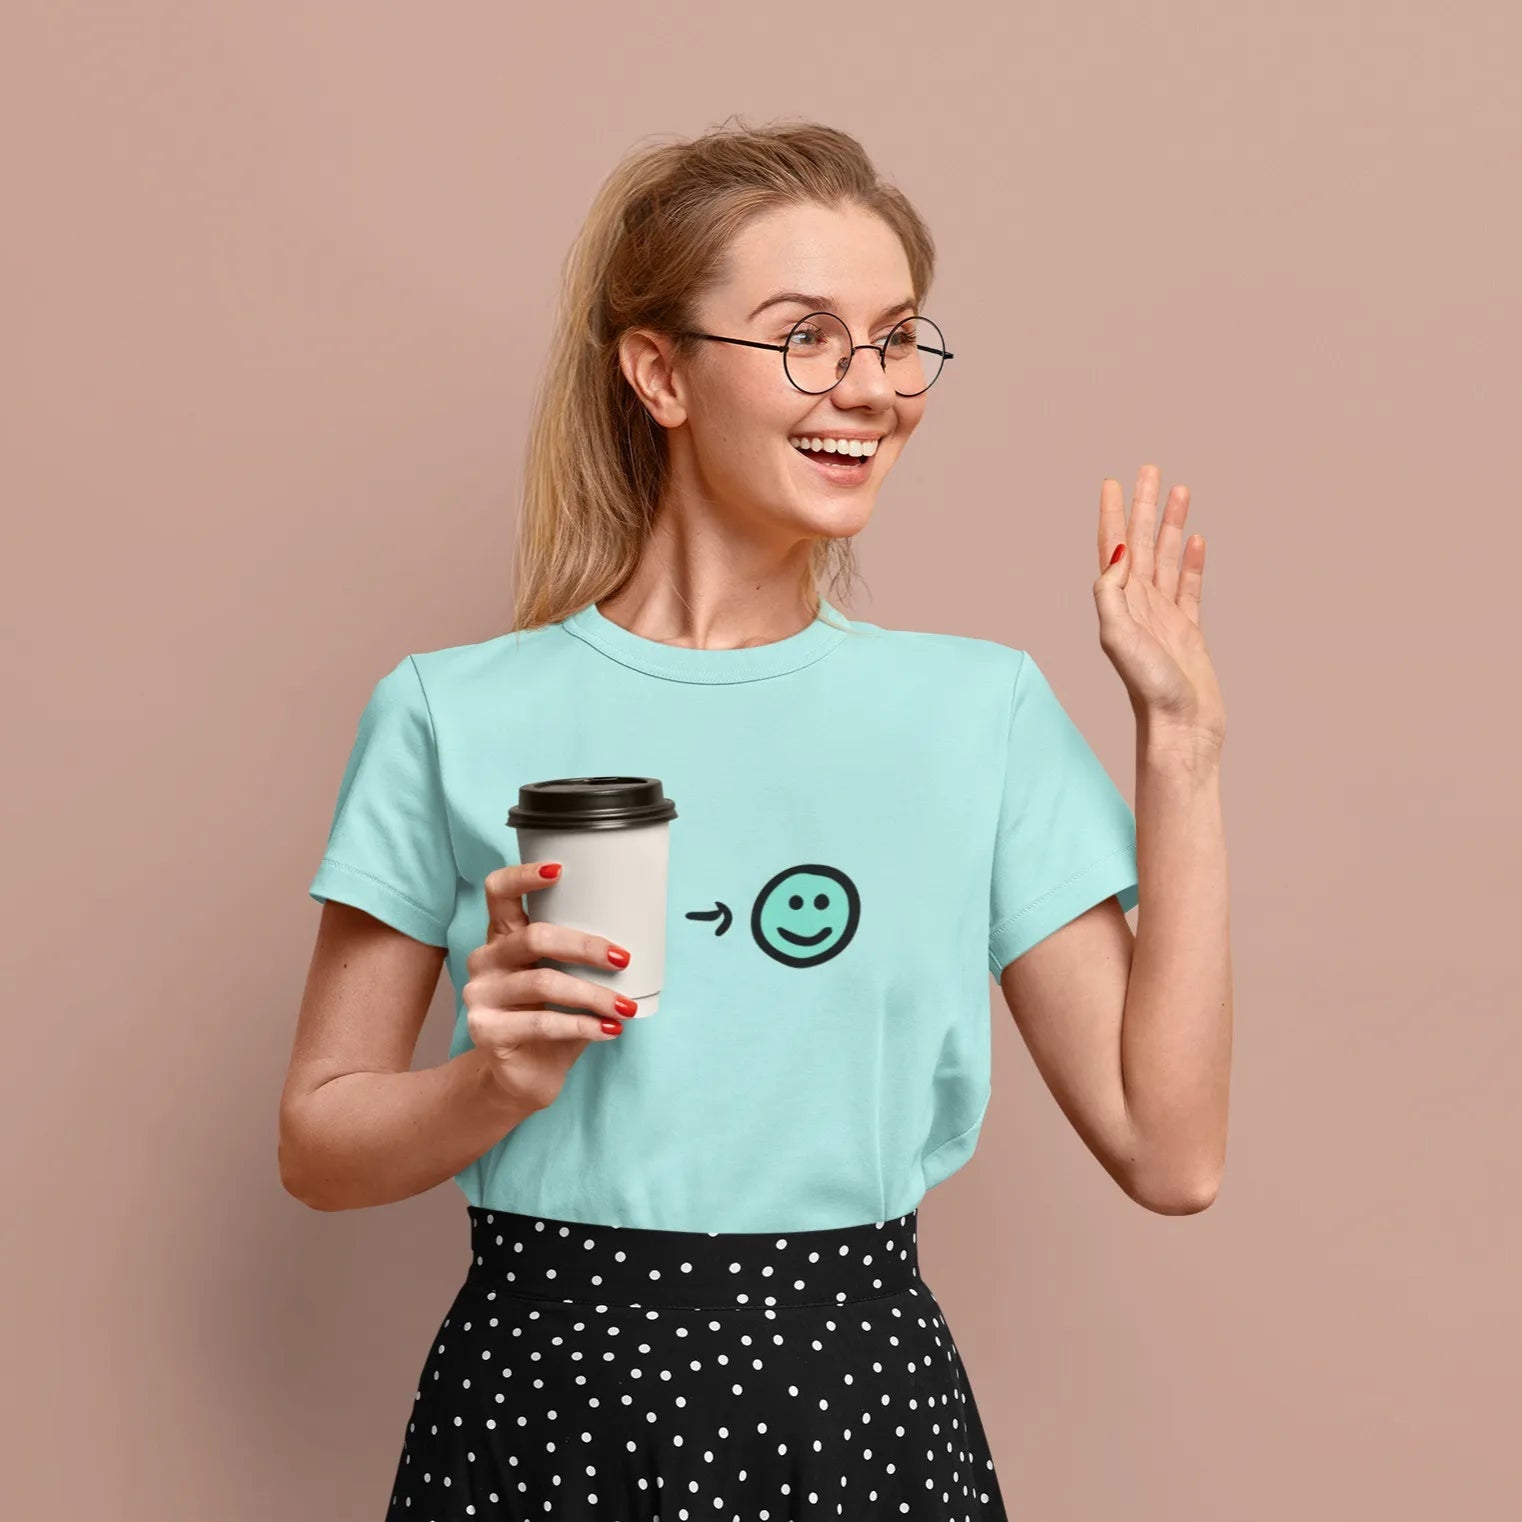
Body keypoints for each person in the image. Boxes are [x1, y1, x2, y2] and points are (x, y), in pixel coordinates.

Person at [280, 118, 1233, 1522]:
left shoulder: (977, 712)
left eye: (897, 338)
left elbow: (1172, 1151)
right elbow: (317, 1141)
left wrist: (1185, 744)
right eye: (805, 336)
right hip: (542, 1403)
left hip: (854, 1402)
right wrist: (501, 1081)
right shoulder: (451, 711)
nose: (869, 388)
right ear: (659, 372)